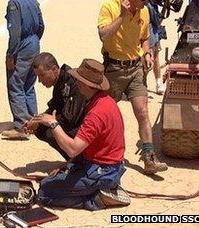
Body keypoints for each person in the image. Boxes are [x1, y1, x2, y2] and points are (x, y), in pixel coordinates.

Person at [30, 59, 130, 211]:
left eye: (77, 79)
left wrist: (53, 123)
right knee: (47, 182)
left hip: (102, 171)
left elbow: (73, 149)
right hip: (101, 164)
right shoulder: (104, 101)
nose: (75, 81)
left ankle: (97, 198)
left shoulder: (96, 113)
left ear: (83, 84)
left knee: (45, 193)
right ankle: (98, 189)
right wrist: (68, 165)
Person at [97, 0, 168, 174]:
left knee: (142, 112)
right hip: (113, 69)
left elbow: (144, 38)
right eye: (142, 0)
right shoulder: (110, 6)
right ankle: (98, 155)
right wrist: (122, 15)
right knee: (105, 113)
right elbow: (103, 35)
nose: (145, 3)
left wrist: (147, 53)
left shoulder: (143, 11)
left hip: (136, 69)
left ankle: (149, 158)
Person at [24, 52, 87, 160]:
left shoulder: (73, 83)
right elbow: (54, 107)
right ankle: (73, 160)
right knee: (40, 129)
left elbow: (69, 120)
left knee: (51, 133)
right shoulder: (60, 81)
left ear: (54, 69)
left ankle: (78, 162)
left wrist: (43, 122)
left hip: (87, 128)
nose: (39, 81)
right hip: (74, 122)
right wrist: (35, 121)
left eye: (42, 75)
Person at [2, 0, 45, 139]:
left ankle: (21, 126)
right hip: (34, 43)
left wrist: (11, 54)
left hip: (23, 45)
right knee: (28, 84)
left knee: (15, 84)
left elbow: (15, 32)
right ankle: (34, 121)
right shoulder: (33, 1)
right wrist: (34, 41)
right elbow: (41, 26)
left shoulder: (14, 3)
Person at [148, 0, 165, 95]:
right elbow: (157, 19)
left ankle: (158, 82)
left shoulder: (153, 4)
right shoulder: (147, 5)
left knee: (155, 58)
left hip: (153, 31)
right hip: (146, 29)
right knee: (147, 59)